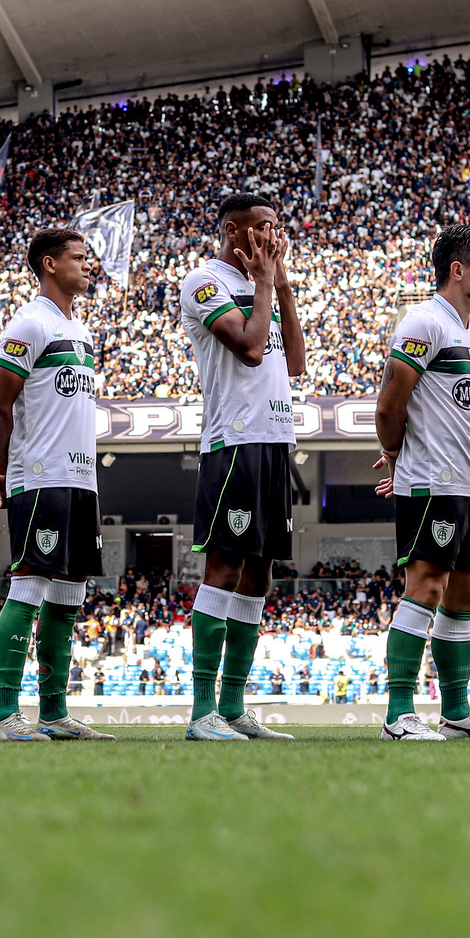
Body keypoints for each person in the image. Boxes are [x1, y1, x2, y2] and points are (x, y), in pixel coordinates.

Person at [370, 224, 470, 742]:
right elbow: (390, 404)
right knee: (426, 587)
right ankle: (398, 715)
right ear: (459, 270)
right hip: (433, 480)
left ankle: (455, 714)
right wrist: (394, 455)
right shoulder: (423, 321)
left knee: (464, 597)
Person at [177, 192, 307, 742]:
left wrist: (280, 285)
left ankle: (233, 708)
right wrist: (261, 283)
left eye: (278, 227)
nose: (273, 237)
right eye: (264, 228)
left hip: (275, 440)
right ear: (234, 232)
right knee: (225, 569)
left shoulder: (265, 286)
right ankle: (202, 713)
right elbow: (251, 350)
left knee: (260, 574)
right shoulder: (203, 282)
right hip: (235, 442)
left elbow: (293, 361)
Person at [0, 228, 115, 742]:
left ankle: (54, 714)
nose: (87, 266)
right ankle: (6, 717)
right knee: (31, 586)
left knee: (69, 594)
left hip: (81, 479)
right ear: (48, 264)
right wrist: (6, 470)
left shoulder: (77, 329)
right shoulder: (29, 324)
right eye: (78, 258)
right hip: (40, 477)